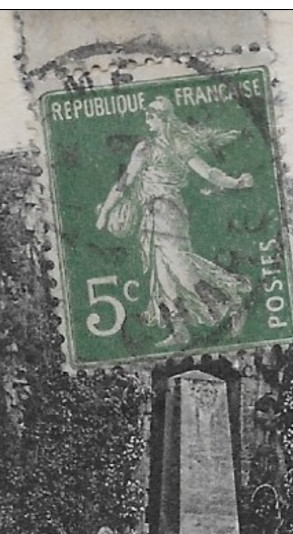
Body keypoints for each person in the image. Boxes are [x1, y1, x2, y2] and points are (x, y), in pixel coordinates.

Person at [96, 96, 253, 349]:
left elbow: (207, 172)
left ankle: (232, 304)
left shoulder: (178, 145)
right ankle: (179, 329)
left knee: (183, 269)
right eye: (147, 116)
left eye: (151, 116)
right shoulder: (144, 148)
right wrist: (105, 211)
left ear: (163, 119)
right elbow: (125, 180)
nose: (147, 121)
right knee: (163, 276)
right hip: (150, 216)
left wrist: (234, 183)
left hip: (168, 212)